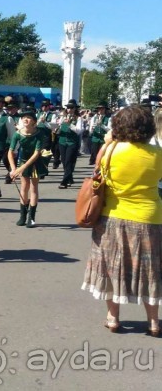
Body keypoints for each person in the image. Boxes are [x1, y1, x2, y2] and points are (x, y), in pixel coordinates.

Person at [81, 106, 162, 336]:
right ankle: (154, 321)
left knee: (110, 267)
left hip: (113, 215)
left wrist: (108, 142)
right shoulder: (158, 154)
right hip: (151, 217)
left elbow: (97, 172)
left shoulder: (111, 151)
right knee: (150, 270)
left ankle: (113, 317)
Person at [7, 108, 52, 228]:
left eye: (29, 117)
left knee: (33, 188)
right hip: (23, 161)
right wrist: (13, 169)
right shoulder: (18, 134)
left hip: (35, 163)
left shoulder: (39, 133)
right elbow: (10, 152)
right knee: (24, 187)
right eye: (23, 117)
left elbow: (36, 153)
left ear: (34, 121)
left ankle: (31, 217)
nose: (25, 119)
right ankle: (22, 216)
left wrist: (19, 169)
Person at [55, 100, 82, 189]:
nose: (69, 109)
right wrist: (56, 129)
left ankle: (64, 181)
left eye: (71, 108)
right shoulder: (63, 117)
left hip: (72, 142)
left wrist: (70, 124)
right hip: (62, 141)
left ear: (75, 109)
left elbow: (79, 131)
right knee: (63, 161)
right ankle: (70, 178)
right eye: (68, 108)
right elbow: (59, 127)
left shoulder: (78, 118)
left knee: (68, 161)